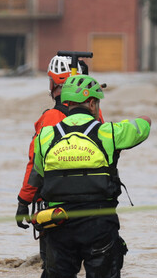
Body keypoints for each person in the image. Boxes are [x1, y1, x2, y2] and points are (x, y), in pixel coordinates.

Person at [28, 74, 151, 278]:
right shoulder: (110, 132)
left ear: (67, 102)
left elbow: (40, 172)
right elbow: (142, 127)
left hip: (57, 223)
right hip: (99, 224)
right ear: (93, 104)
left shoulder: (45, 137)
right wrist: (145, 118)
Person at [15, 55, 103, 227]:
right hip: (95, 202)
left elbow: (36, 165)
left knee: (53, 253)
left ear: (53, 83)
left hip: (55, 205)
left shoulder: (49, 118)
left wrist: (23, 201)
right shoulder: (96, 115)